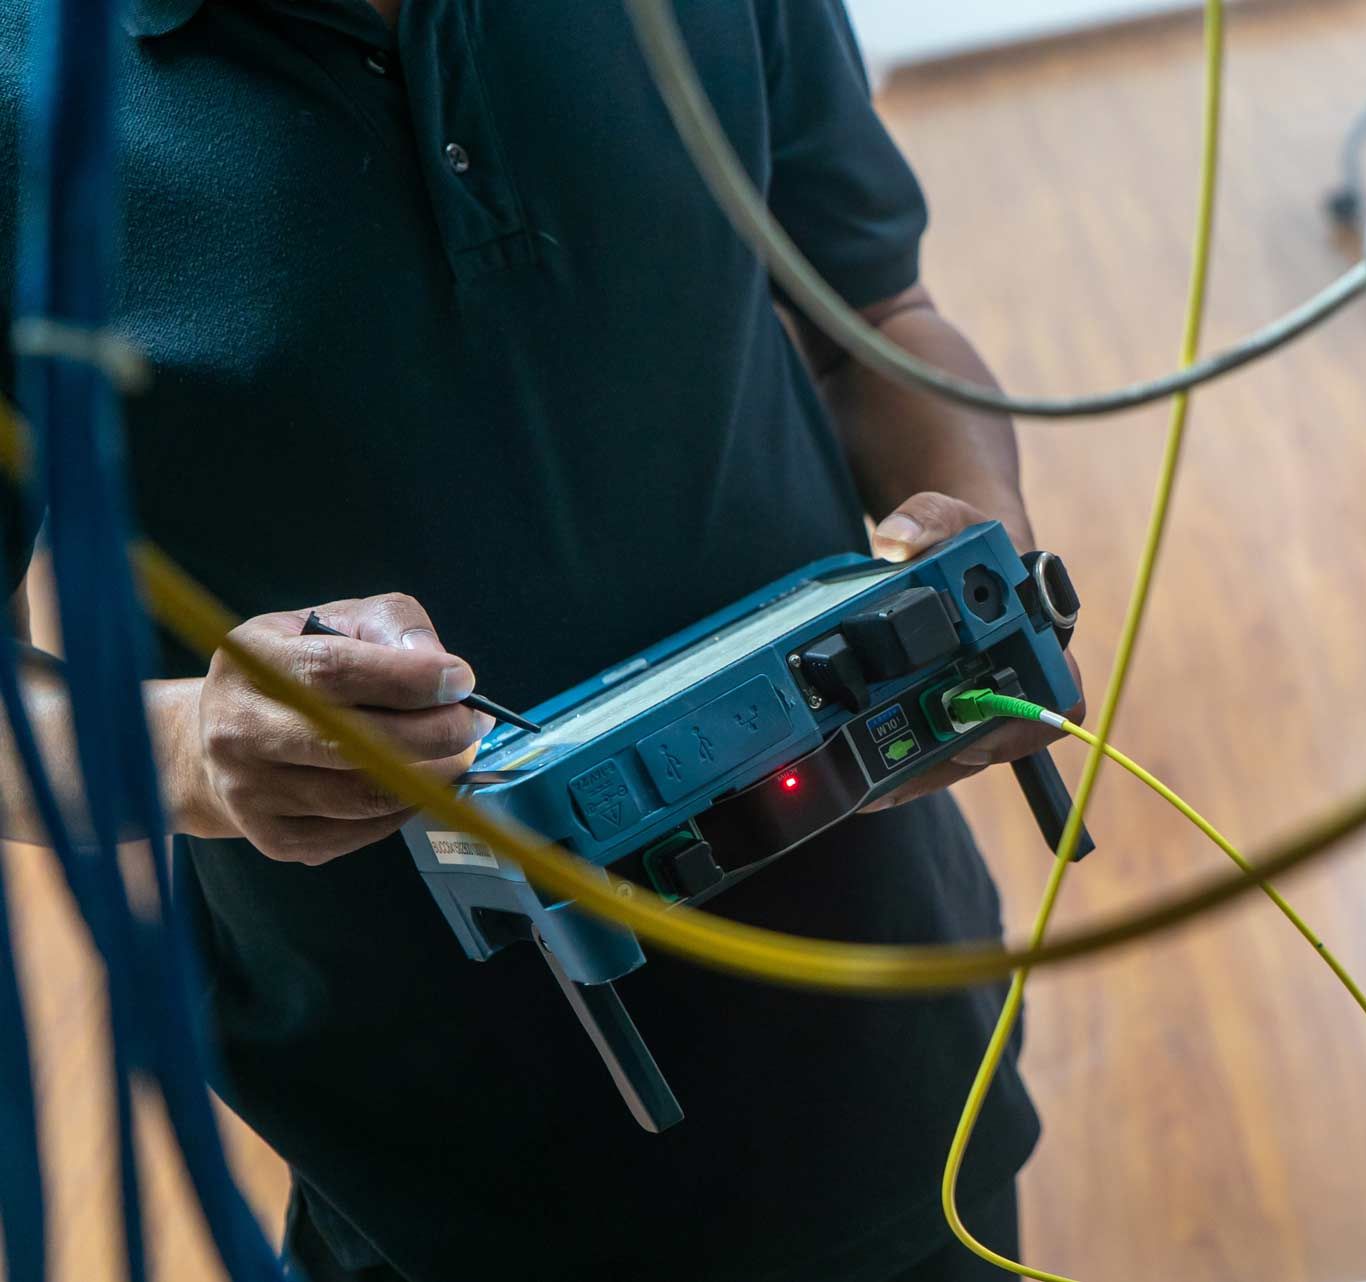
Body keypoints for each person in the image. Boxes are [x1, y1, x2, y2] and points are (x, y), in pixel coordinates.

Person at [0, 2, 1080, 1278]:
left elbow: (880, 320)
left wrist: (981, 568)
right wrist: (193, 750)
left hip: (893, 1038)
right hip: (444, 1171)